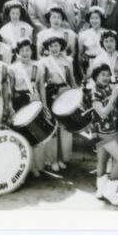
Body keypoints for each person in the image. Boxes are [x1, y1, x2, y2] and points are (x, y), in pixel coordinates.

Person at [8, 38, 47, 177]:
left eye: (28, 50)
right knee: (22, 135)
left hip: (35, 101)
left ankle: (35, 166)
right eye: (22, 50)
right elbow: (10, 90)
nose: (25, 53)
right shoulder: (12, 68)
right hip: (20, 102)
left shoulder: (38, 66)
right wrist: (11, 107)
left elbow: (41, 87)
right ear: (18, 52)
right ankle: (22, 168)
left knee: (36, 134)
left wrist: (45, 105)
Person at [90, 64, 118, 206]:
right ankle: (111, 191)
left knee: (102, 160)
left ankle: (101, 189)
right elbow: (102, 113)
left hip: (108, 129)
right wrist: (113, 97)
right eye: (102, 75)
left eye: (107, 75)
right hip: (102, 131)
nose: (106, 77)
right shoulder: (95, 92)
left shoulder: (107, 88)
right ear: (96, 77)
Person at [42, 35, 78, 171]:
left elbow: (71, 79)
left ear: (61, 46)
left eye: (56, 46)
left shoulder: (68, 60)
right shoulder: (44, 62)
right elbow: (42, 82)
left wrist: (76, 93)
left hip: (65, 93)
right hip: (51, 93)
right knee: (53, 127)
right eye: (51, 46)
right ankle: (52, 159)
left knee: (64, 126)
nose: (54, 49)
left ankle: (63, 158)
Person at [77, 6, 107, 81]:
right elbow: (80, 55)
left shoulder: (107, 33)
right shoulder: (83, 34)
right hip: (90, 65)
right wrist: (82, 73)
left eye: (97, 18)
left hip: (104, 64)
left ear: (101, 19)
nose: (94, 21)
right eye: (92, 18)